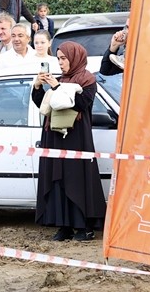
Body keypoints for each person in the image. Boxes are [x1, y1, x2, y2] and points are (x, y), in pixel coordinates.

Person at [31, 41, 107, 241]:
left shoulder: (87, 80)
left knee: (77, 180)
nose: (61, 63)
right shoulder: (59, 79)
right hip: (55, 137)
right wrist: (38, 86)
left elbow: (80, 104)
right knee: (58, 181)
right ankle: (63, 226)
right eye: (58, 59)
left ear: (75, 57)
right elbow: (44, 104)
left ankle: (84, 227)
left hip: (77, 139)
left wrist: (57, 87)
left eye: (64, 58)